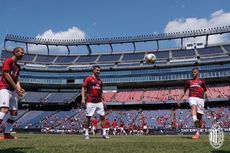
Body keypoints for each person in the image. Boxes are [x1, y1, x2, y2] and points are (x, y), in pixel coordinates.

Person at [0, 47, 25, 140]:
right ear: (16, 52)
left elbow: (16, 79)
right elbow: (6, 75)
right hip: (4, 88)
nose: (23, 54)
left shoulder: (18, 67)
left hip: (12, 90)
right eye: (21, 52)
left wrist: (19, 88)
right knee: (5, 110)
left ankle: (7, 134)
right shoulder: (8, 61)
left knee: (14, 113)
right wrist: (16, 88)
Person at [177, 67, 207, 140]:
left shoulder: (202, 82)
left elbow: (205, 90)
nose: (193, 73)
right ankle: (194, 119)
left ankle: (197, 133)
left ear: (198, 73)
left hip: (200, 99)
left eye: (195, 72)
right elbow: (184, 91)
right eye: (193, 72)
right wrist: (179, 100)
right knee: (193, 107)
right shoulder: (189, 82)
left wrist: (205, 98)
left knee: (199, 117)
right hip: (192, 97)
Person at [81, 65, 109, 139]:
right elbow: (83, 88)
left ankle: (104, 134)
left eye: (99, 70)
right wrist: (83, 99)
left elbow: (101, 92)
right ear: (93, 70)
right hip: (90, 101)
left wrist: (104, 100)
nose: (98, 72)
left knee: (103, 117)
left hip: (99, 101)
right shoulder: (88, 78)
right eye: (97, 70)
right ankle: (86, 134)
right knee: (88, 118)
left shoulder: (100, 81)